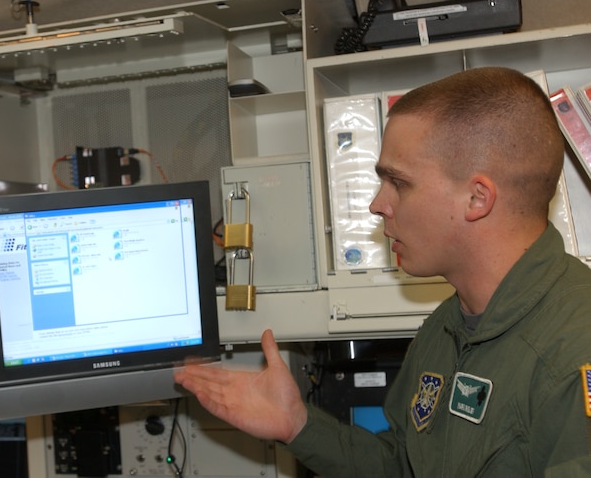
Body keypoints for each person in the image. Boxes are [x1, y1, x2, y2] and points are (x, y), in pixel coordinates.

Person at [175, 66, 591, 476]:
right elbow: (400, 463)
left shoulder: (574, 349)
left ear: (477, 198)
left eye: (399, 182)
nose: (377, 204)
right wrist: (298, 425)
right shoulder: (444, 329)